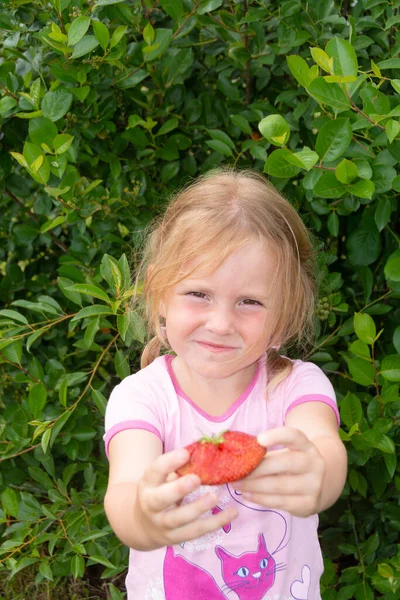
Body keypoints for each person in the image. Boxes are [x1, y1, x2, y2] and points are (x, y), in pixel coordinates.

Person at [103, 169, 347, 600]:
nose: (220, 324)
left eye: (249, 302)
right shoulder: (142, 398)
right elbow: (125, 490)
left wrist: (320, 475)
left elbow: (322, 444)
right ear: (161, 294)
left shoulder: (294, 386)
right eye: (198, 294)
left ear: (284, 313)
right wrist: (143, 518)